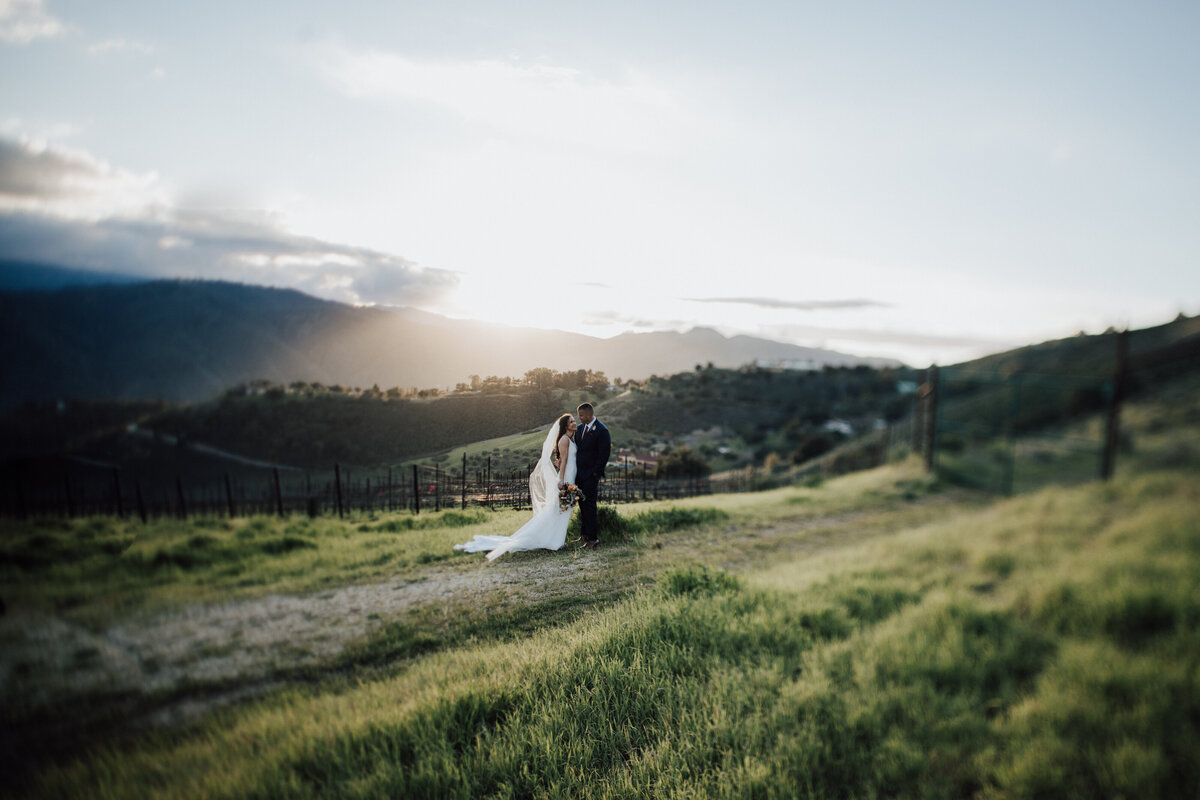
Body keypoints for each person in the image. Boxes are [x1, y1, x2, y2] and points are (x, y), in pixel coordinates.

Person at [454, 414, 577, 561]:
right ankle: (554, 541)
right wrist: (562, 479)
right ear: (565, 426)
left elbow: (563, 459)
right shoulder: (564, 439)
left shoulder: (571, 438)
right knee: (559, 510)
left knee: (561, 510)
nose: (574, 423)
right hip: (566, 478)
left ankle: (555, 539)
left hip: (571, 476)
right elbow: (563, 463)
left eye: (574, 421)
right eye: (571, 422)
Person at [573, 402, 611, 549]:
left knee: (590, 506)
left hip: (590, 476)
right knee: (582, 505)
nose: (579, 418)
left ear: (589, 415)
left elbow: (604, 455)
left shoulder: (602, 431)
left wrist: (594, 473)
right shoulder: (580, 428)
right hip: (579, 475)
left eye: (581, 415)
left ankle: (593, 539)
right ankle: (584, 535)